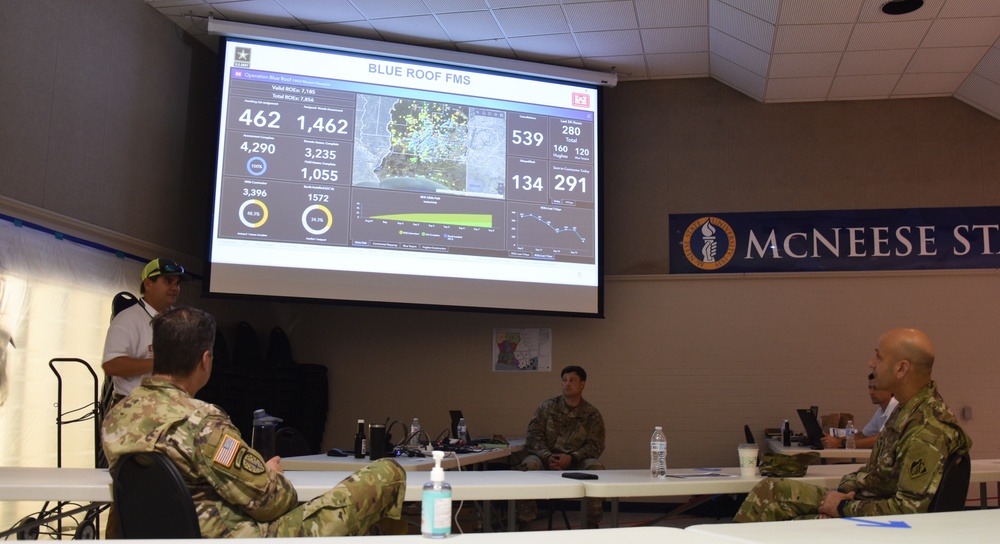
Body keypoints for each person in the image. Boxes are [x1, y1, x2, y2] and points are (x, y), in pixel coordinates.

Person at [101, 307, 406, 537]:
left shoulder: (118, 416)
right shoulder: (203, 422)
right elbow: (273, 501)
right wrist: (271, 474)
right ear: (206, 360)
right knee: (387, 473)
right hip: (238, 536)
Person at [734, 328, 971, 522]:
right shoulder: (906, 411)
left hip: (878, 523)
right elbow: (872, 473)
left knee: (778, 520)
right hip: (862, 503)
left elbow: (909, 510)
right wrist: (841, 493)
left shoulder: (927, 430)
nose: (871, 363)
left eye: (878, 357)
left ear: (901, 369)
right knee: (770, 491)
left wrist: (843, 507)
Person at [515, 365, 606, 527]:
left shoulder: (591, 414)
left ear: (582, 384)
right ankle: (525, 519)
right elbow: (533, 436)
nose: (567, 384)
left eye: (572, 380)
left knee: (595, 467)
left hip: (576, 462)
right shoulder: (548, 407)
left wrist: (571, 458)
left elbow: (595, 445)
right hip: (545, 459)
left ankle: (591, 522)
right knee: (527, 465)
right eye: (564, 380)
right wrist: (547, 456)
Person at [102, 258, 187, 402]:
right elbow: (111, 366)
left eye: (177, 283)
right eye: (168, 281)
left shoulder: (180, 320)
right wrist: (162, 362)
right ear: (148, 284)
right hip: (133, 407)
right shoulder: (127, 319)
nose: (175, 288)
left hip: (169, 404)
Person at [821, 373, 898, 449]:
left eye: (875, 388)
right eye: (870, 388)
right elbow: (863, 435)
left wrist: (839, 443)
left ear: (890, 390)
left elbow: (878, 440)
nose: (870, 392)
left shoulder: (897, 408)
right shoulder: (881, 410)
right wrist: (835, 440)